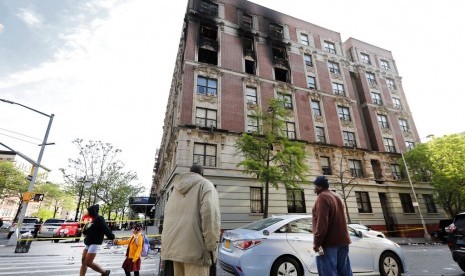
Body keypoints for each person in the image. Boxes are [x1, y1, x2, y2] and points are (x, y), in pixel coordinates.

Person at [161, 163, 221, 276]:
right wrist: (212, 248)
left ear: (190, 172)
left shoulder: (174, 190)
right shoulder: (206, 185)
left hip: (174, 251)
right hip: (196, 253)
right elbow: (210, 218)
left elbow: (167, 218)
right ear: (202, 174)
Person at [312, 176, 353, 276]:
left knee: (329, 272)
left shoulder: (322, 197)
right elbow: (343, 219)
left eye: (315, 186)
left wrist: (317, 243)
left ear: (320, 187)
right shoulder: (337, 196)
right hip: (343, 241)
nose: (314, 188)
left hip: (329, 243)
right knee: (344, 272)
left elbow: (322, 222)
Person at [80, 204, 115, 276]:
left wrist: (112, 237)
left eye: (88, 211)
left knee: (88, 262)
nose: (87, 213)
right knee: (83, 261)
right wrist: (84, 229)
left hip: (95, 243)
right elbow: (87, 232)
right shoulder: (92, 220)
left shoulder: (99, 219)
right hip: (88, 242)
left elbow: (106, 229)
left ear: (92, 211)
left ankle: (105, 272)